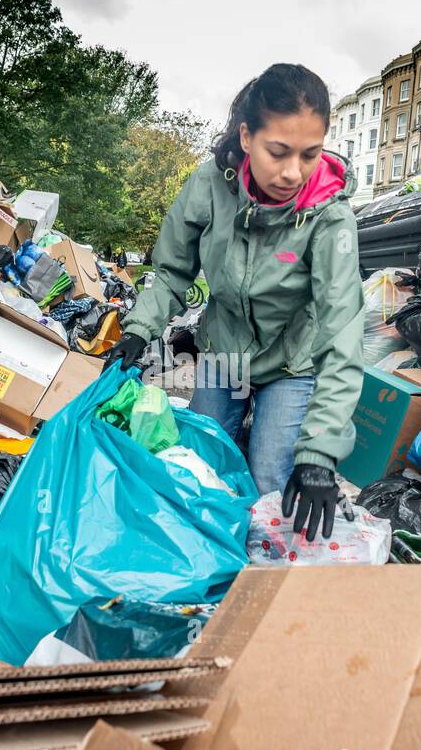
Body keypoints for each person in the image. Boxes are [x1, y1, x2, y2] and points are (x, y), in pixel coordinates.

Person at [105, 63, 363, 540]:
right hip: (225, 353)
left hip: (292, 362)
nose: (293, 172)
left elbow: (342, 333)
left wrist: (320, 453)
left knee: (271, 482)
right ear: (247, 137)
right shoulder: (209, 186)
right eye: (278, 152)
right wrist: (138, 332)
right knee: (198, 469)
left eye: (310, 155)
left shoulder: (330, 217)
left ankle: (261, 584)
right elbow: (171, 271)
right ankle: (201, 567)